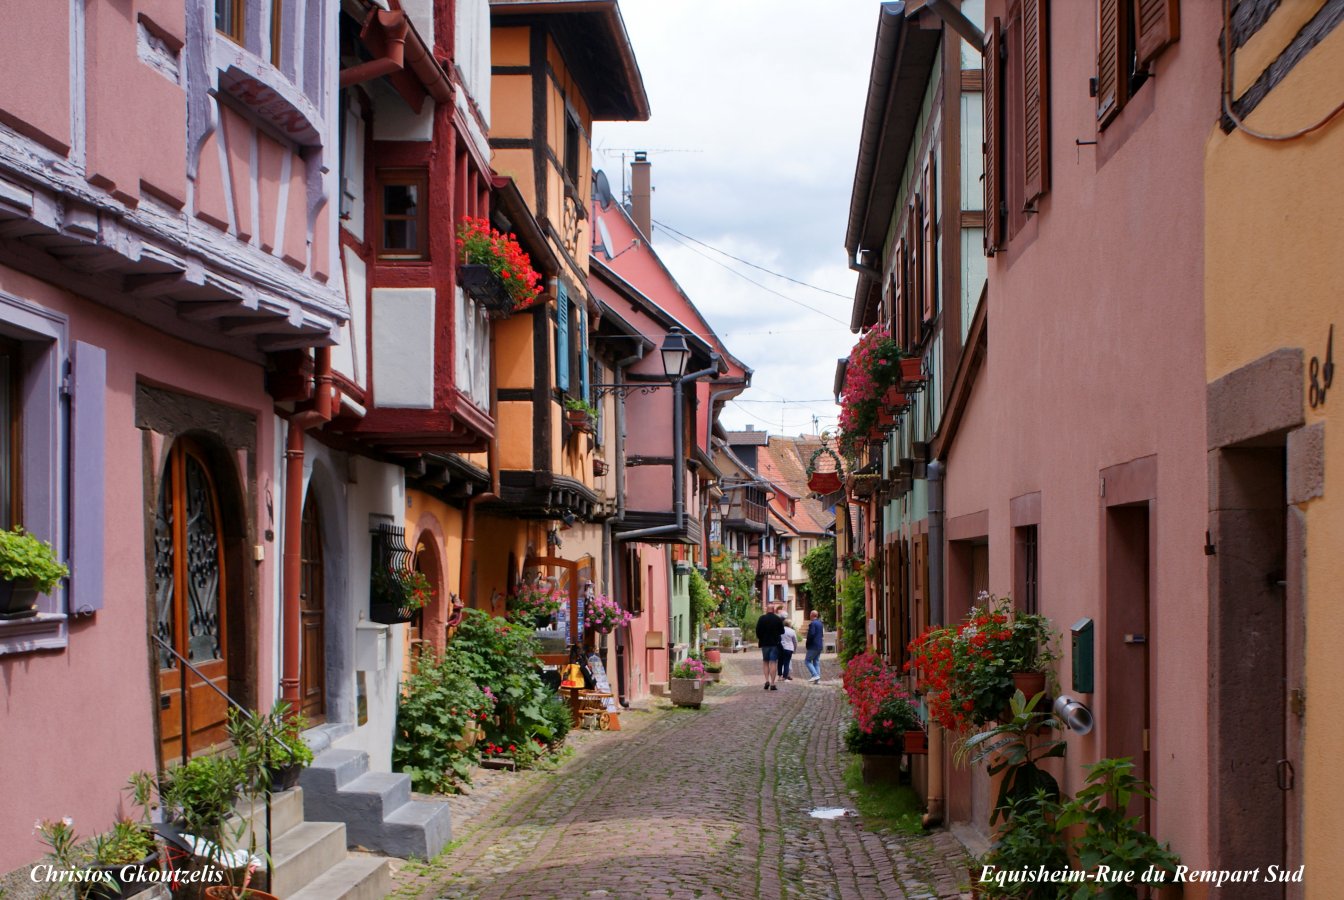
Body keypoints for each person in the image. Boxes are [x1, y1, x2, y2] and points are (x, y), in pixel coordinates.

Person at [754, 603, 785, 690]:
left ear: (767, 609)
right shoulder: (777, 619)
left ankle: (766, 680)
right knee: (773, 662)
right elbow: (782, 631)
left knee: (765, 662)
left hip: (764, 644)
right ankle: (772, 683)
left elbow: (757, 631)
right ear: (774, 610)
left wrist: (762, 638)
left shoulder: (762, 618)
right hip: (774, 644)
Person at [804, 609, 824, 683]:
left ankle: (814, 674)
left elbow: (811, 634)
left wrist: (807, 643)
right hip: (819, 645)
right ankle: (817, 680)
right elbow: (821, 634)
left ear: (812, 615)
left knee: (807, 661)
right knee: (816, 661)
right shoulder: (820, 623)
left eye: (810, 614)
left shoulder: (813, 624)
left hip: (813, 645)